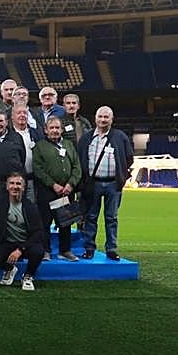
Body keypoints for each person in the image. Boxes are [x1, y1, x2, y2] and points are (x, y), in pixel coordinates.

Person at [77, 106, 134, 261]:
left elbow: (129, 157)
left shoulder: (120, 137)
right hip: (92, 184)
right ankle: (89, 248)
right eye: (100, 116)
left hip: (113, 184)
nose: (103, 120)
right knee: (91, 217)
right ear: (95, 118)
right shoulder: (87, 137)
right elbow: (80, 158)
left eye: (106, 117)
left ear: (111, 119)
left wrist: (121, 177)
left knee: (111, 218)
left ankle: (111, 249)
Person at [0, 173, 44, 291]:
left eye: (18, 184)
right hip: (6, 243)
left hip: (25, 244)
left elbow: (38, 232)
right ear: (7, 186)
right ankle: (10, 269)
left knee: (38, 251)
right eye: (12, 183)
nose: (15, 187)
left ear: (24, 187)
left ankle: (28, 276)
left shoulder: (30, 207)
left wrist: (21, 249)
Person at [32, 116, 81, 260]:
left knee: (65, 222)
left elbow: (77, 167)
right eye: (51, 128)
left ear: (62, 130)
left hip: (66, 192)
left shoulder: (69, 145)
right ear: (46, 130)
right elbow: (37, 169)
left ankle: (65, 250)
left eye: (57, 128)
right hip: (47, 191)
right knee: (45, 222)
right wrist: (53, 185)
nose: (54, 130)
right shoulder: (40, 146)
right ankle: (45, 250)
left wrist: (70, 184)